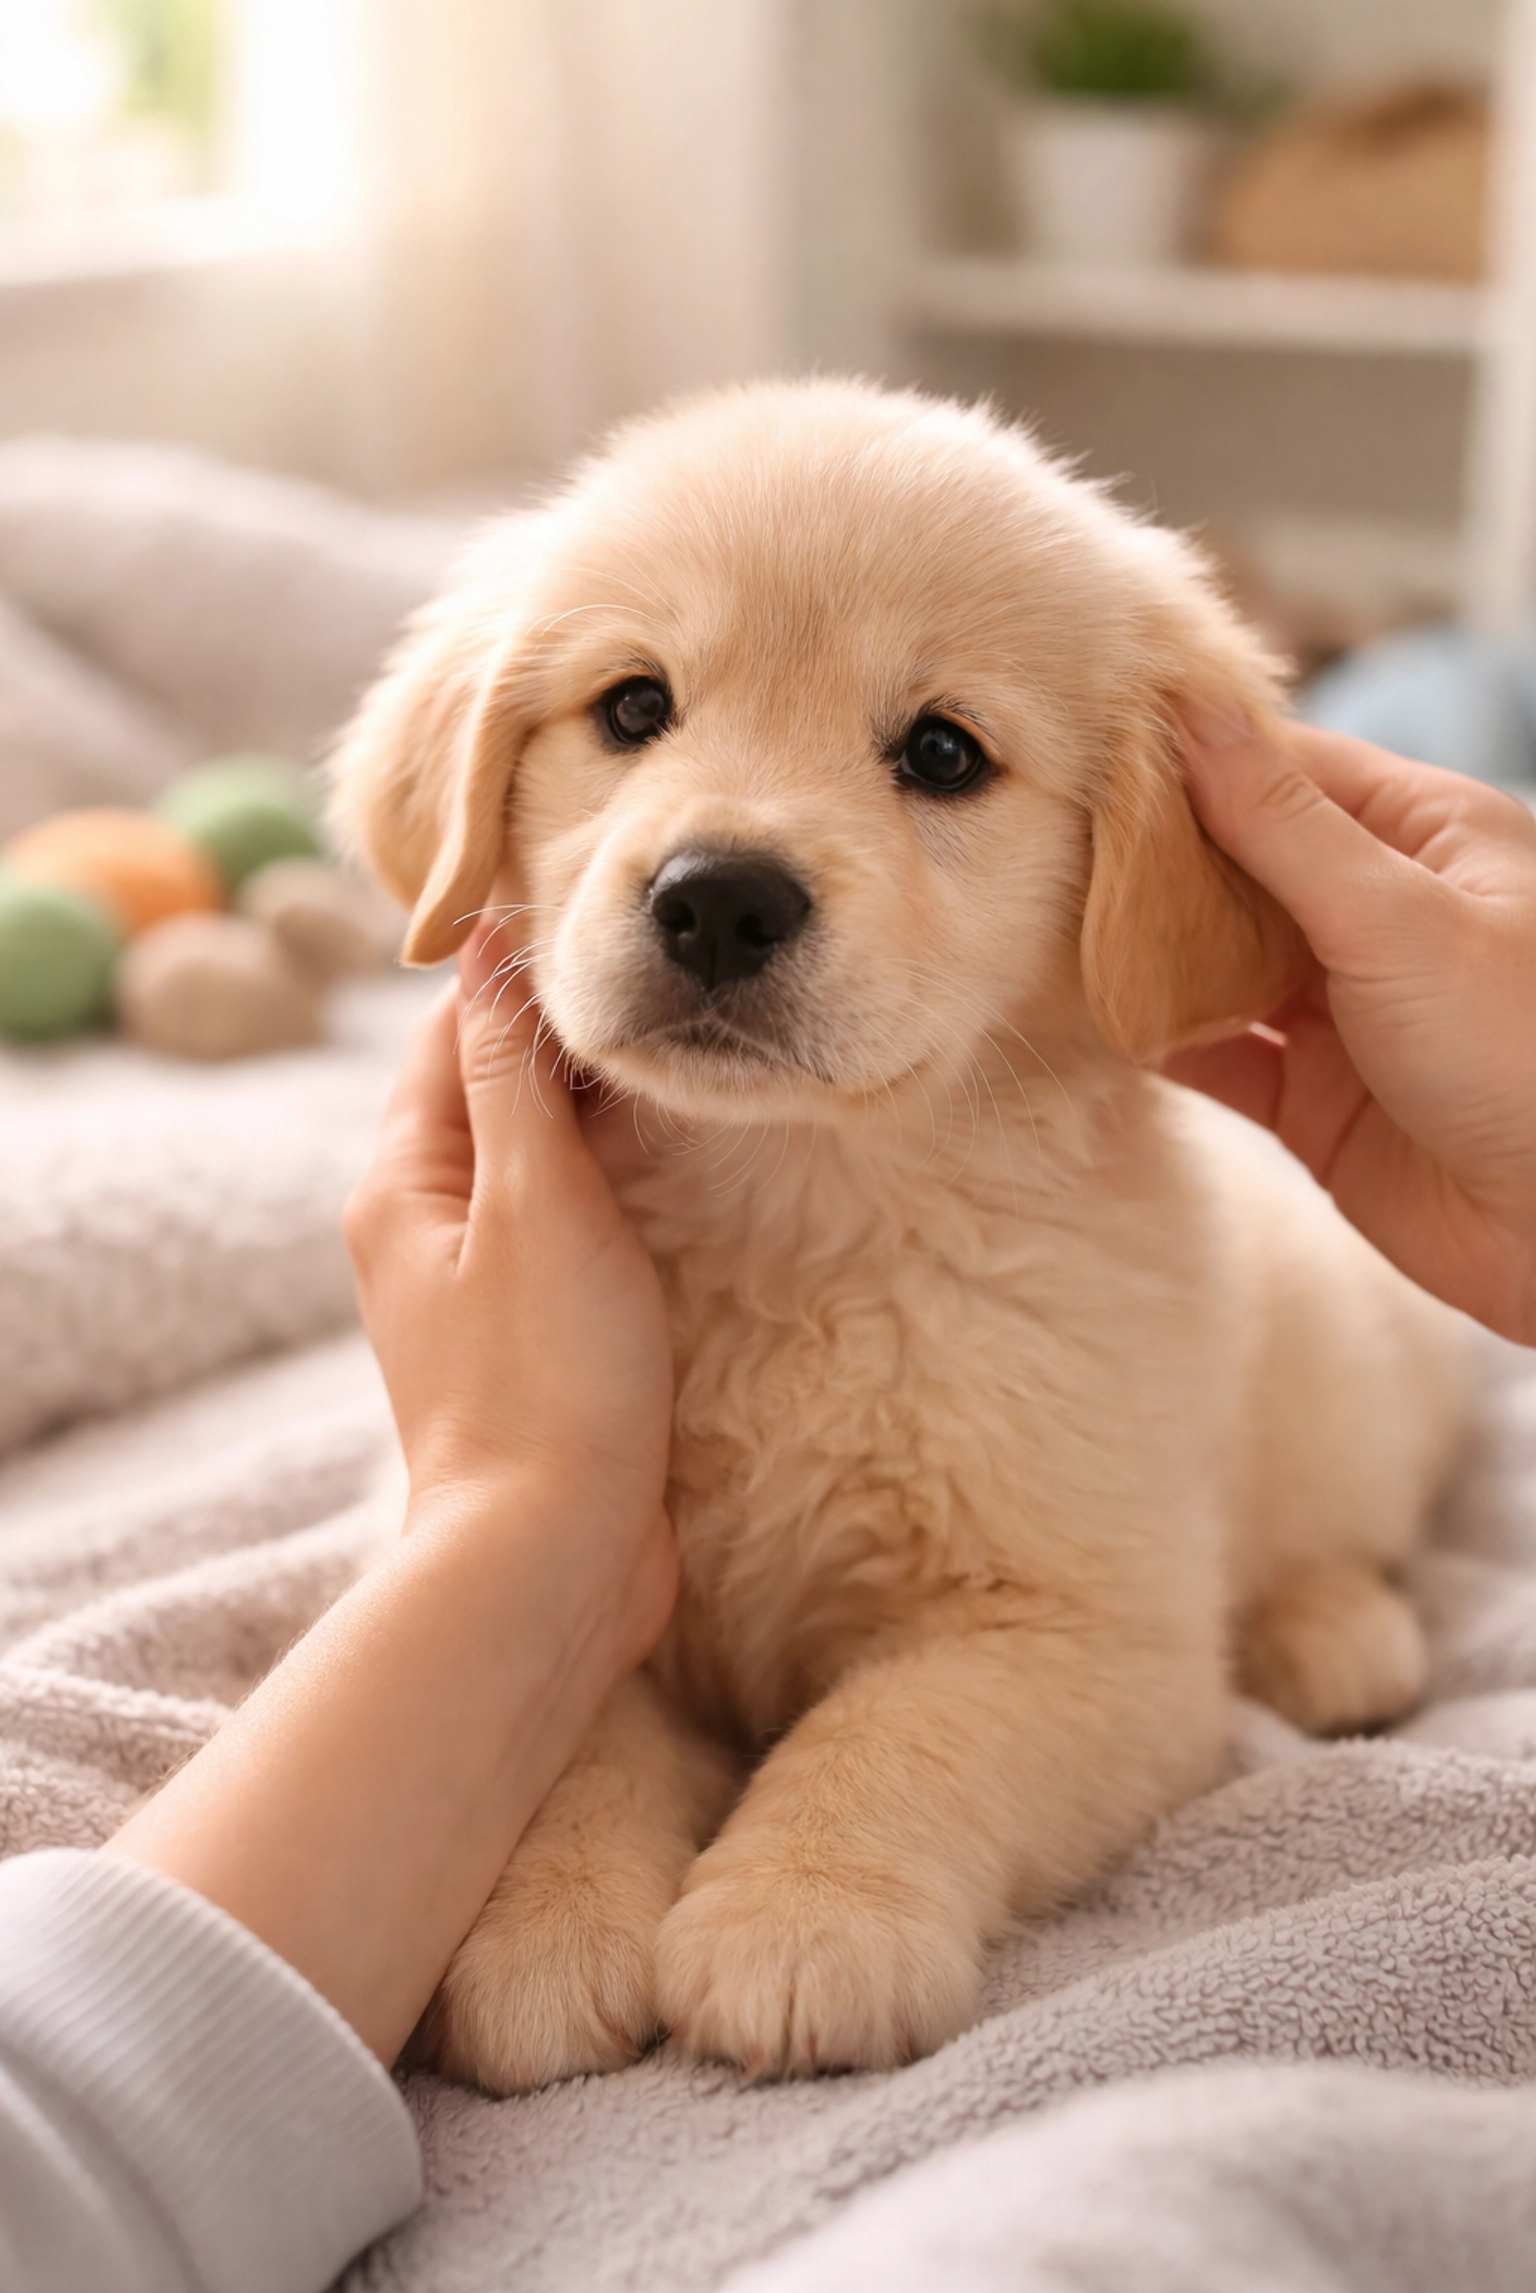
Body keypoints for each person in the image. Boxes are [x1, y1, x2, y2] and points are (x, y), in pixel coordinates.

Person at [0, 719, 1532, 2293]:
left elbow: (1095, 1647)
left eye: (941, 755)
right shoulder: (507, 1295)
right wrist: (569, 1794)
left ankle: (1327, 1567)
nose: (726, 862)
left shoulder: (1109, 1286)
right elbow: (463, 1546)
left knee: (1362, 1371)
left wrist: (860, 1851)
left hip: (1253, 1390)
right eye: (634, 708)